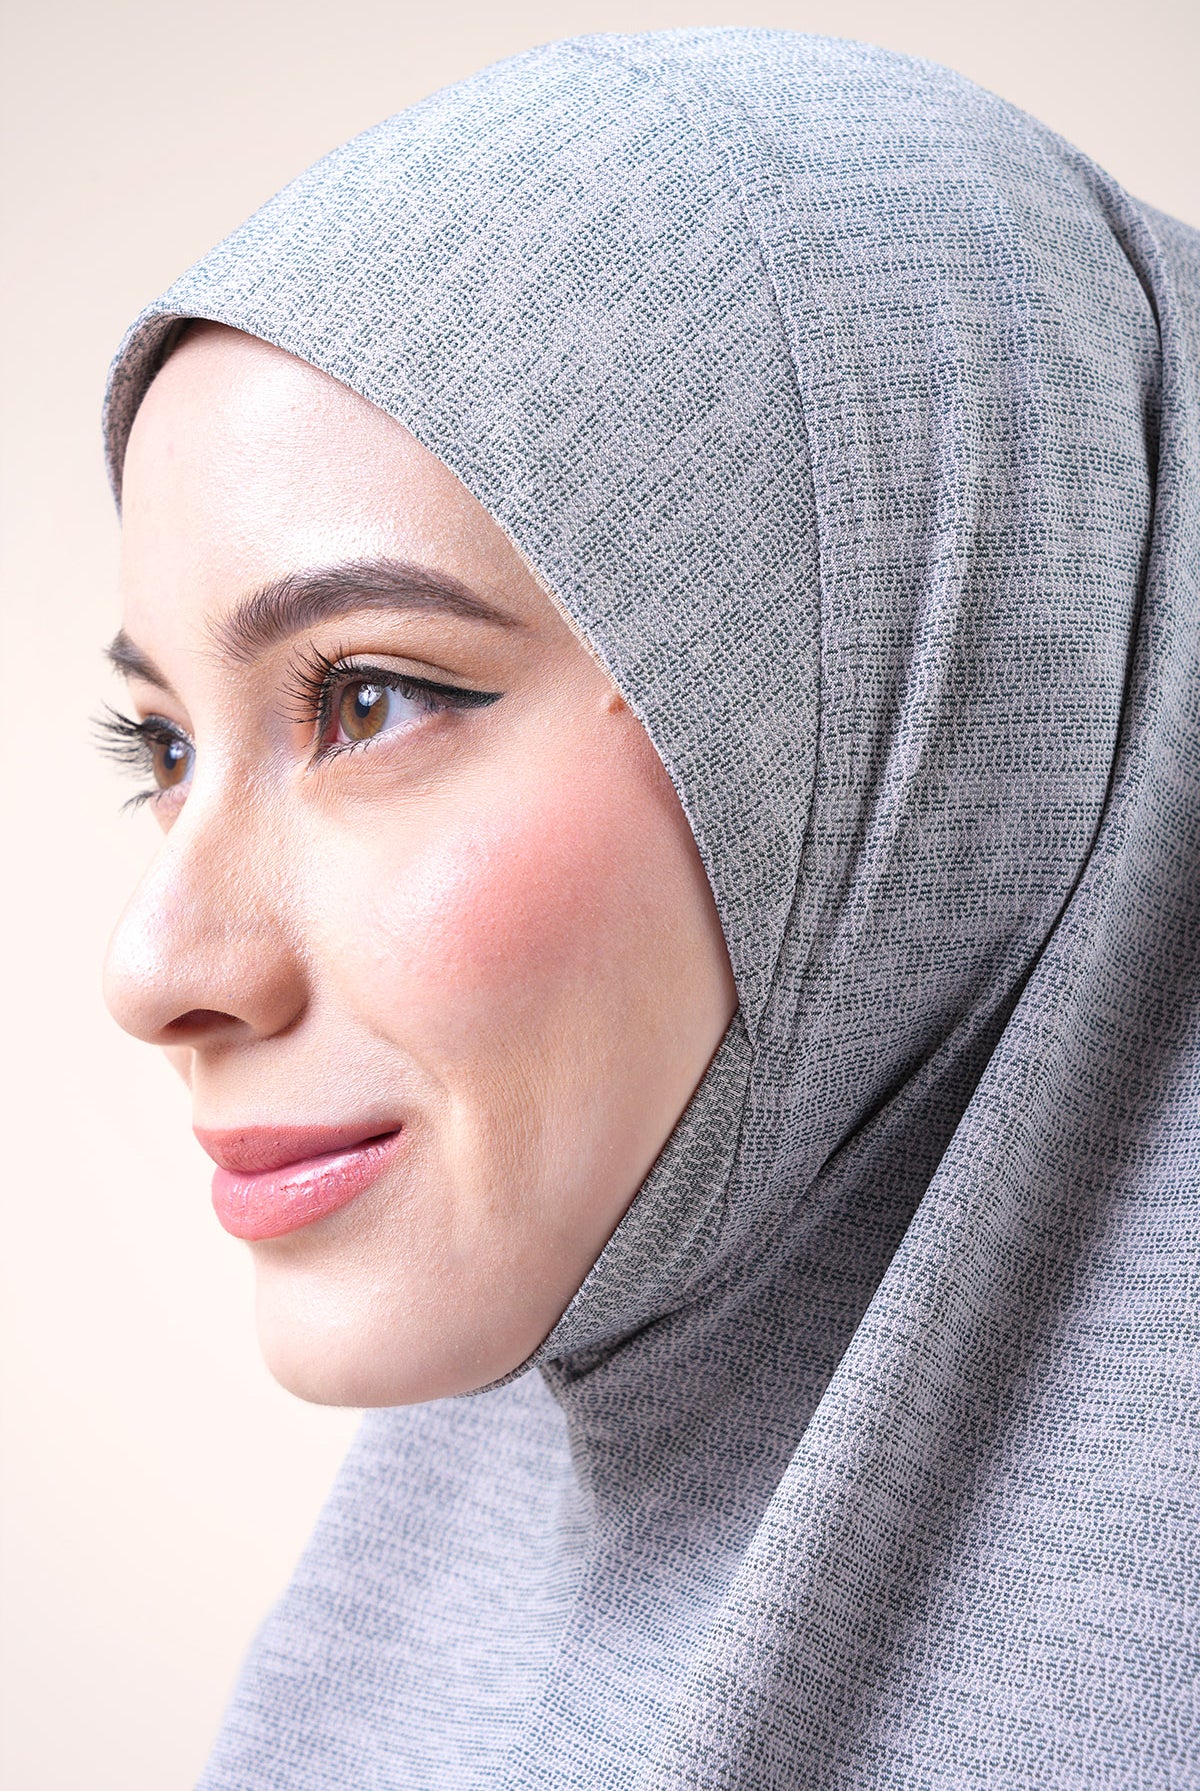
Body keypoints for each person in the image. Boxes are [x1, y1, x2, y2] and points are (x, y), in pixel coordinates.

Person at [99, 29, 1199, 1789]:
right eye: (160, 744)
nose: (157, 970)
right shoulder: (396, 1657)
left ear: (931, 703)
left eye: (369, 698)